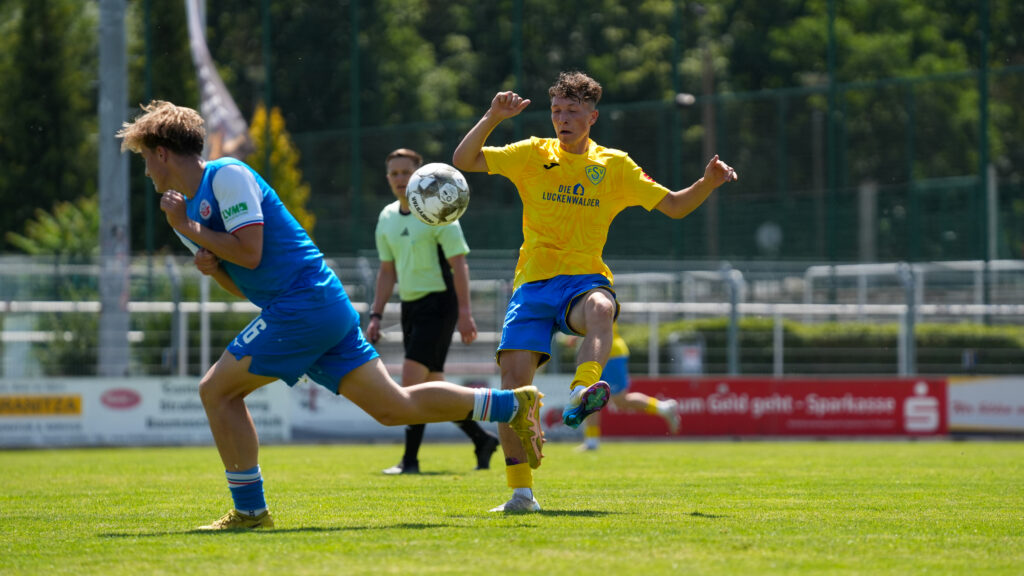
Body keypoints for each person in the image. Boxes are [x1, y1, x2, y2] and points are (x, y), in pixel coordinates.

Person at [116, 101, 543, 530]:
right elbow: (240, 278)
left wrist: (194, 232)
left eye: (144, 158)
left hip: (306, 302)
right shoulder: (181, 214)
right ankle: (511, 404)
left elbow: (251, 251)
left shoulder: (226, 175)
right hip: (309, 306)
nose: (147, 170)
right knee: (394, 407)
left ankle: (249, 510)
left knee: (217, 391)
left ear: (162, 152)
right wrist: (211, 266)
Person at [452, 71, 737, 512]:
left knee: (602, 307)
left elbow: (676, 206)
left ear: (592, 116)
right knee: (511, 391)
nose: (561, 119)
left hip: (582, 280)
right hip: (531, 284)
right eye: (556, 111)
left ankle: (584, 390)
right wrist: (492, 116)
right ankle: (521, 494)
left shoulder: (615, 166)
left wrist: (708, 184)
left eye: (572, 111)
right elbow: (464, 160)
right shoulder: (531, 153)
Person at [367, 148, 499, 475]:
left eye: (406, 173)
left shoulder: (438, 211)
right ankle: (482, 438)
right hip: (411, 306)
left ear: (420, 176)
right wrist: (376, 315)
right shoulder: (385, 218)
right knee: (435, 390)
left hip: (440, 305)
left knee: (410, 385)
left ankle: (409, 461)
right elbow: (387, 272)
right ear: (388, 178)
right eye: (394, 173)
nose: (400, 179)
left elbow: (459, 265)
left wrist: (466, 313)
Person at [574, 322, 680, 451]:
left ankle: (663, 408)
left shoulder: (597, 302)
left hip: (610, 352)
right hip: (597, 354)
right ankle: (591, 441)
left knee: (620, 400)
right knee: (590, 397)